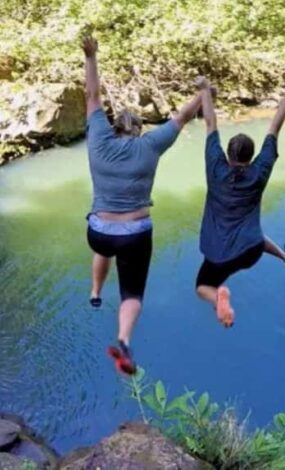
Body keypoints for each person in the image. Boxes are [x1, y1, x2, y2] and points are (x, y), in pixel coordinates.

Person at [82, 34, 203, 375]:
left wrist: (91, 56)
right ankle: (123, 339)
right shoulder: (150, 145)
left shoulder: (98, 139)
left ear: (114, 127)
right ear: (137, 130)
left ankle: (95, 292)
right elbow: (182, 117)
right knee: (132, 294)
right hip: (134, 234)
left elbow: (92, 95)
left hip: (99, 231)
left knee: (103, 247)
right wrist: (203, 93)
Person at [194, 75, 285, 328]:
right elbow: (274, 128)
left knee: (202, 287)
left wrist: (205, 89)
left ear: (227, 154)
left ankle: (218, 300)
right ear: (252, 156)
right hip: (250, 250)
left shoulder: (216, 168)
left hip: (219, 254)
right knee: (253, 235)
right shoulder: (260, 171)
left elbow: (210, 123)